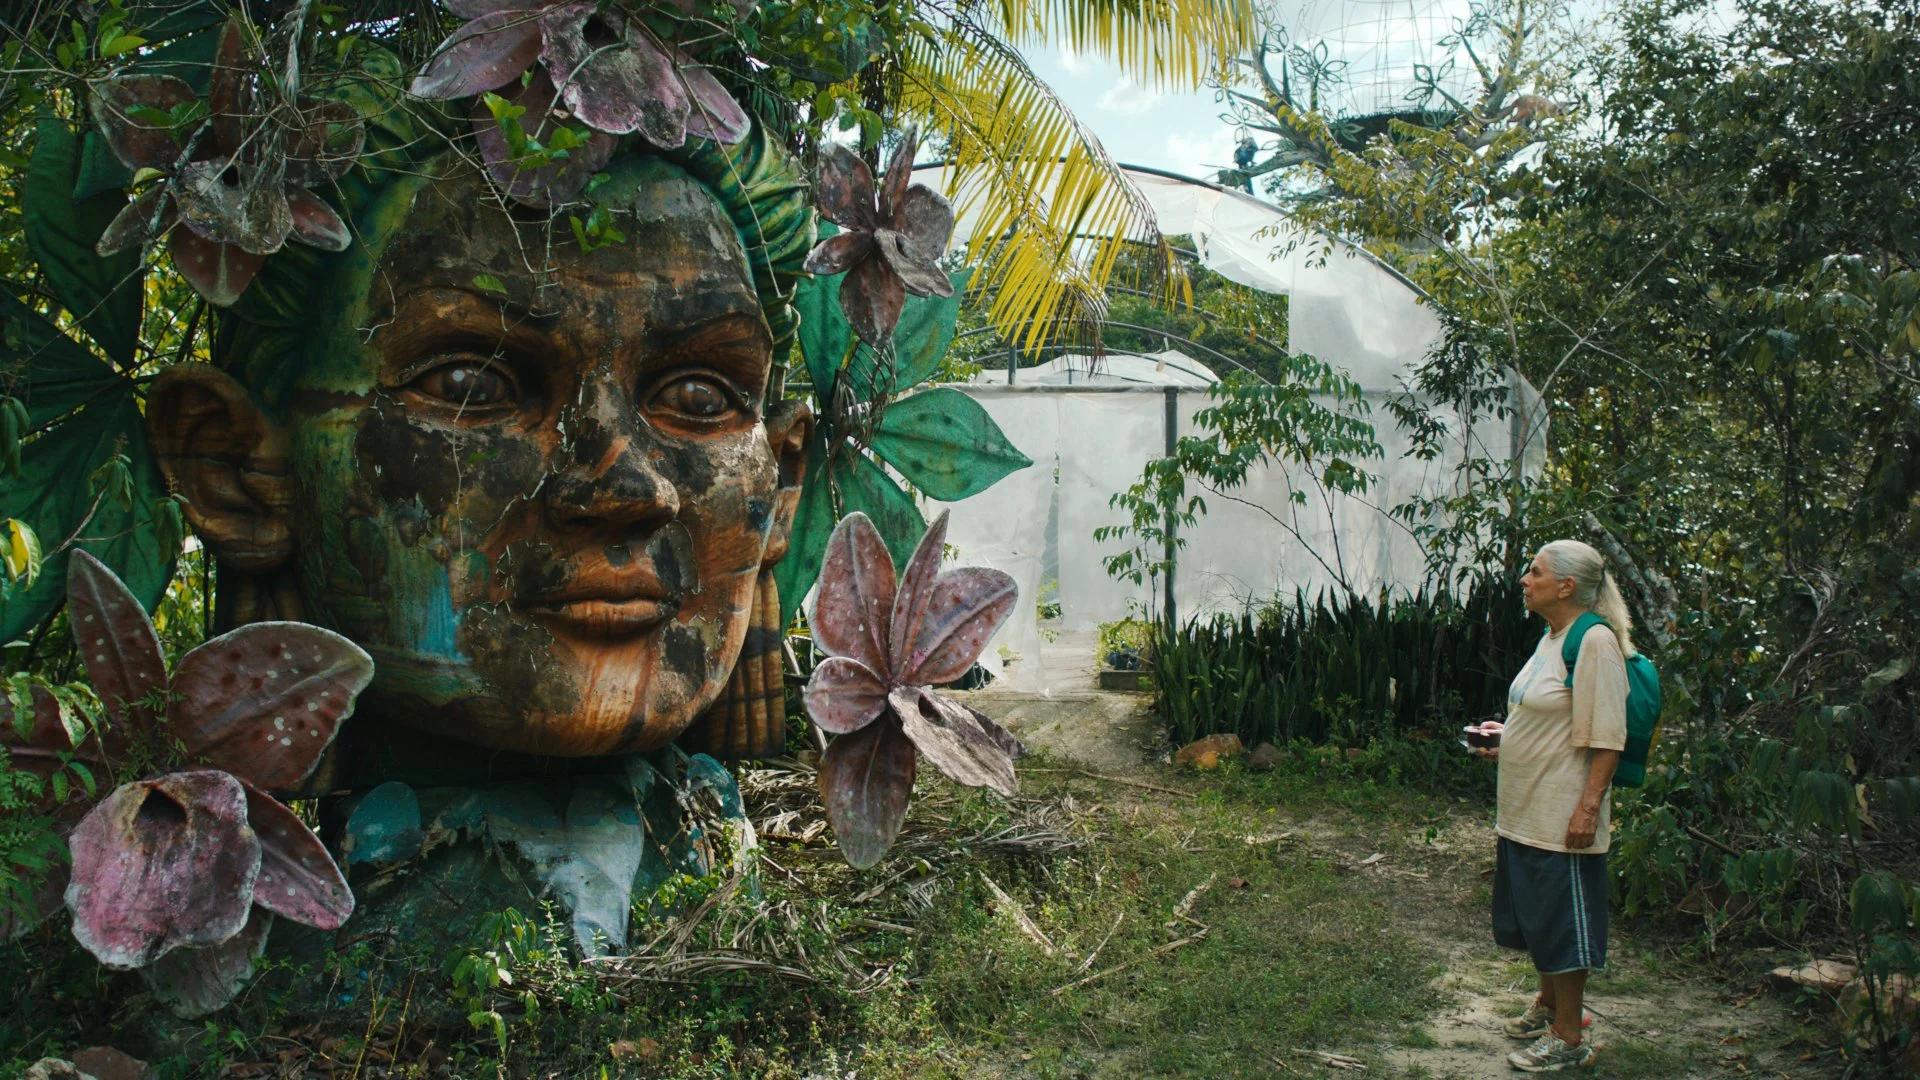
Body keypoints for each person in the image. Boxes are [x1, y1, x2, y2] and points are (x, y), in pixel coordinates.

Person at [1471, 539, 1631, 1072]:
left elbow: (1607, 736)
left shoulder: (1595, 642)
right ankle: (1548, 1006)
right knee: (1538, 919)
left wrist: (1588, 809)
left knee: (1562, 926)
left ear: (1566, 586)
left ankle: (1569, 1037)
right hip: (1526, 811)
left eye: (1535, 572)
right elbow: (1549, 713)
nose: (1524, 580)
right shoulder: (1552, 637)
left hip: (1563, 816)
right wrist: (1507, 736)